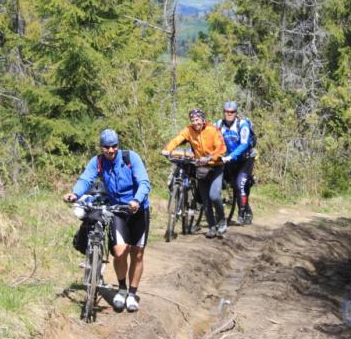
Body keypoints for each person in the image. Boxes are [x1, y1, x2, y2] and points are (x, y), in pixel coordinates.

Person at [64, 129, 150, 312]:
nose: (110, 150)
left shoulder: (130, 158)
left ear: (118, 145)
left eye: (114, 146)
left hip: (138, 210)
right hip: (117, 210)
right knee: (119, 252)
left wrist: (137, 199)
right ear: (101, 147)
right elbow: (85, 179)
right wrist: (75, 193)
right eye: (106, 147)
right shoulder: (98, 161)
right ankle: (122, 289)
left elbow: (144, 182)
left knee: (137, 254)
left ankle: (132, 293)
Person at [162, 109, 227, 238]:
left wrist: (210, 157)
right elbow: (177, 140)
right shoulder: (189, 130)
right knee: (205, 200)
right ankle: (212, 227)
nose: (195, 123)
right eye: (192, 120)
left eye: (197, 120)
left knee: (214, 196)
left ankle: (222, 221)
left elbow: (221, 148)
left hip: (216, 166)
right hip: (201, 167)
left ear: (203, 120)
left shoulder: (213, 130)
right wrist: (167, 149)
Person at [216, 101, 255, 225]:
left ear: (236, 113)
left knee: (240, 185)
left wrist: (230, 156)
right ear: (224, 112)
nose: (229, 114)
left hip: (245, 160)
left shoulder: (242, 125)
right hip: (230, 160)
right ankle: (247, 210)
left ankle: (241, 214)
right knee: (229, 184)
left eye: (232, 112)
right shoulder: (218, 124)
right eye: (227, 112)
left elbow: (244, 144)